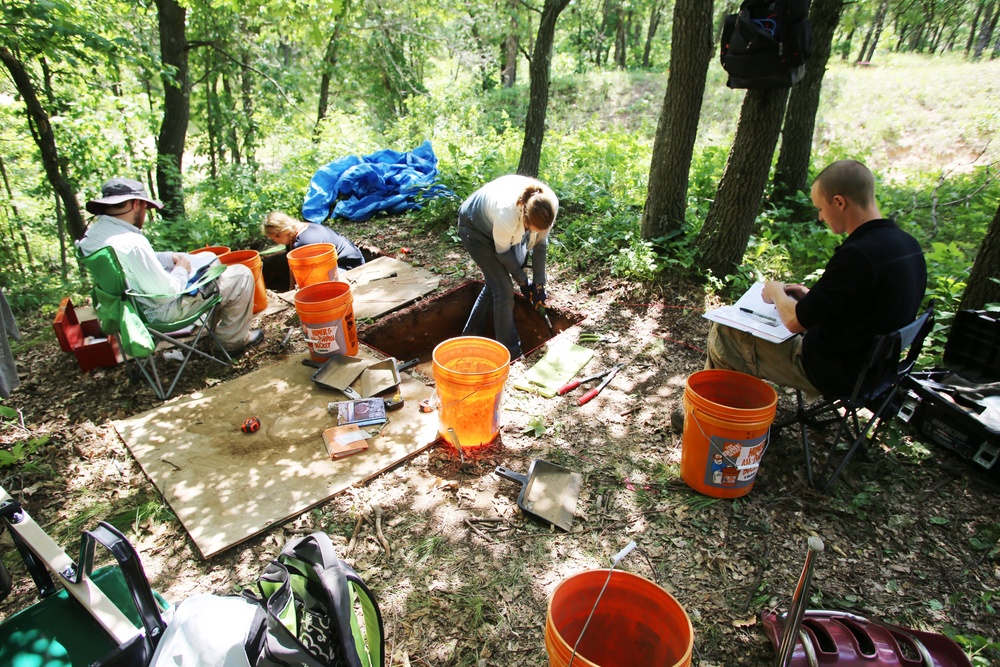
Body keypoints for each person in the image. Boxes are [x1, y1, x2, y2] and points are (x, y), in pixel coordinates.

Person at [705, 159, 927, 398]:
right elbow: (870, 308)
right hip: (876, 372)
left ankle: (715, 415)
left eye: (821, 208)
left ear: (839, 202)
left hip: (833, 372)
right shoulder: (908, 245)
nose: (820, 217)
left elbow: (795, 322)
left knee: (725, 332)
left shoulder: (857, 255)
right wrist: (812, 298)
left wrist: (775, 291)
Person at [78, 178, 263, 354]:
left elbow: (133, 264)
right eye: (145, 207)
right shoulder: (132, 242)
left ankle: (215, 332)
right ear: (136, 204)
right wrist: (181, 269)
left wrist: (170, 258)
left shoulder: (92, 236)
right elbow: (165, 295)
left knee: (206, 259)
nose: (144, 213)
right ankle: (231, 343)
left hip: (127, 308)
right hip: (158, 313)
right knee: (241, 275)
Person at [457, 174, 558, 360]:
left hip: (498, 227)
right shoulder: (507, 213)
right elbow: (503, 253)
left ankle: (469, 337)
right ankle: (512, 353)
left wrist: (538, 285)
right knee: (503, 290)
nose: (534, 232)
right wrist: (522, 281)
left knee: (496, 283)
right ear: (524, 216)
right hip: (475, 229)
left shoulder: (550, 205)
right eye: (531, 228)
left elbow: (540, 246)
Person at [262, 211, 365, 270]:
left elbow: (312, 273)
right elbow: (293, 268)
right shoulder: (293, 235)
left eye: (274, 238)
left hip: (349, 265)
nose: (275, 242)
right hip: (344, 260)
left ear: (280, 233)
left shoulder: (303, 242)